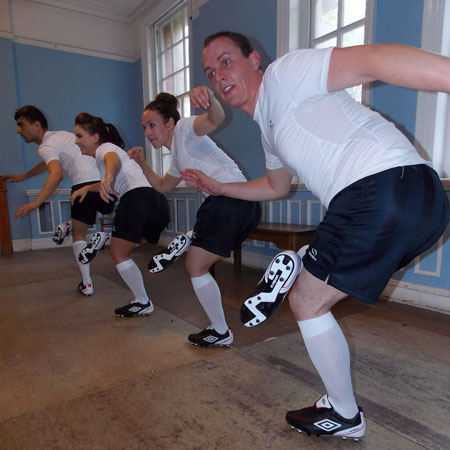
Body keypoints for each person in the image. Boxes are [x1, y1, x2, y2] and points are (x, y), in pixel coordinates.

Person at [181, 31, 450, 440]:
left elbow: (374, 59)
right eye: (209, 71)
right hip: (420, 204)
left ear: (253, 60)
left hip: (377, 187)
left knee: (306, 300)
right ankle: (303, 260)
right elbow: (275, 186)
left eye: (225, 61)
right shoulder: (269, 130)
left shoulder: (286, 74)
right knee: (311, 297)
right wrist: (220, 188)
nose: (218, 75)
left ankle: (344, 413)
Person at [127, 88, 261, 347]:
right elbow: (164, 186)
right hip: (244, 205)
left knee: (195, 267)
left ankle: (221, 331)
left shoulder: (185, 129)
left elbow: (215, 118)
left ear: (170, 123)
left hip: (228, 201)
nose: (147, 133)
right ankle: (191, 238)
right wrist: (143, 165)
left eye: (152, 125)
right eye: (144, 127)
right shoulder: (177, 156)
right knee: (198, 264)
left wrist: (209, 99)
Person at [2, 105, 114, 296]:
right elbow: (50, 163)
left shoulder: (46, 146)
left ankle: (87, 284)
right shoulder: (60, 136)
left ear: (36, 125)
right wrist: (25, 175)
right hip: (105, 184)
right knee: (92, 216)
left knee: (79, 237)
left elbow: (56, 174)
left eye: (21, 125)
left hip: (83, 187)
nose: (18, 130)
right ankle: (74, 226)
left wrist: (36, 203)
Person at [71, 113, 170, 318]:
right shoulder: (112, 152)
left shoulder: (104, 150)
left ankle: (142, 302)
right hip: (157, 202)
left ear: (95, 137)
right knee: (135, 242)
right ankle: (108, 239)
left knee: (119, 254)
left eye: (80, 136)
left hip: (135, 200)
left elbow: (112, 161)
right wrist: (88, 188)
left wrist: (108, 177)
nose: (76, 141)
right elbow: (113, 173)